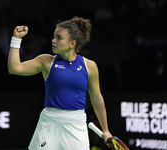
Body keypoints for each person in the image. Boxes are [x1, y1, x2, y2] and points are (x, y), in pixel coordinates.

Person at [8, 16, 112, 150]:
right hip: (49, 123)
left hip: (76, 124)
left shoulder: (89, 66)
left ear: (72, 43)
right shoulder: (46, 61)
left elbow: (97, 98)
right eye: (54, 37)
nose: (53, 40)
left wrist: (106, 130)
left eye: (59, 38)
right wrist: (16, 39)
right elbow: (14, 68)